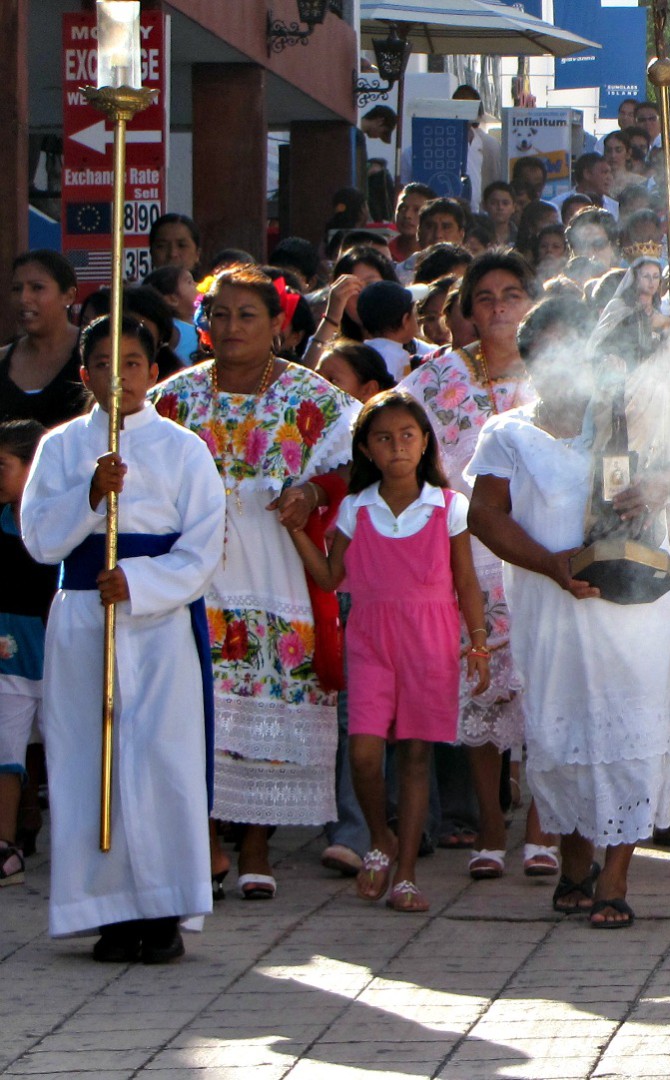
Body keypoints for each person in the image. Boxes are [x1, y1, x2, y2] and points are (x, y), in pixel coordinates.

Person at [467, 297, 670, 929]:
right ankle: (573, 863)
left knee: (630, 730)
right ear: (529, 362)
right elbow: (484, 516)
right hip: (551, 601)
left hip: (633, 604)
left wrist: (662, 482)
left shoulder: (628, 420)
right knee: (564, 735)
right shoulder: (507, 433)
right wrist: (551, 564)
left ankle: (615, 876)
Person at [151, 267, 361, 901]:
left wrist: (310, 490)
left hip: (277, 571)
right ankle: (206, 841)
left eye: (247, 316)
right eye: (219, 315)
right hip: (197, 573)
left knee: (272, 699)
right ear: (203, 324)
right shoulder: (173, 398)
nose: (232, 327)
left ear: (277, 324)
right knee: (201, 707)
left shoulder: (314, 397)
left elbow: (359, 460)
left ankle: (256, 843)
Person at [21, 317, 223, 962]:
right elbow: (38, 536)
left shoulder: (184, 449)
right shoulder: (59, 447)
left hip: (156, 621)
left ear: (152, 372)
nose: (120, 376)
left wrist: (138, 580)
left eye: (132, 363)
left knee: (161, 758)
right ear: (85, 375)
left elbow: (202, 547)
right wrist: (89, 494)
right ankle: (106, 909)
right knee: (88, 756)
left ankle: (162, 908)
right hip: (83, 616)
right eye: (105, 364)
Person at [284, 391, 488, 914]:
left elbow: (465, 581)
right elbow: (331, 576)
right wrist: (295, 534)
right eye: (383, 438)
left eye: (407, 436)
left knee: (417, 756)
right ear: (366, 449)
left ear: (424, 444)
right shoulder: (355, 508)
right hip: (370, 640)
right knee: (364, 753)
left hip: (431, 640)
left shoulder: (448, 506)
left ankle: (407, 874)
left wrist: (479, 642)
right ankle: (379, 836)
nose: (396, 447)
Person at [398, 253, 551, 879]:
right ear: (465, 309)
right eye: (483, 298)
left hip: (545, 554)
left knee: (545, 695)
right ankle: (491, 826)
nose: (498, 309)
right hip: (468, 558)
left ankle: (547, 827)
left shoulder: (559, 376)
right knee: (484, 693)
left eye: (512, 295)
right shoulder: (435, 381)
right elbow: (403, 448)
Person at [0, 418, 51, 885]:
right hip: (8, 656)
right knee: (6, 751)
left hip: (56, 653)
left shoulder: (57, 521)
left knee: (63, 750)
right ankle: (5, 843)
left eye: (2, 465)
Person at [1, 251, 85, 426]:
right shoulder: (2, 359)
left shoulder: (93, 353)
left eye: (37, 287)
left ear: (68, 296)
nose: (24, 298)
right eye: (17, 289)